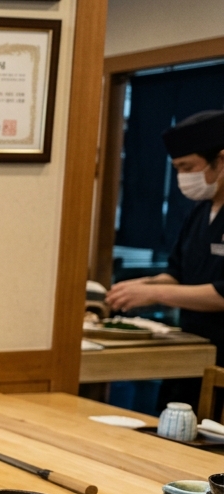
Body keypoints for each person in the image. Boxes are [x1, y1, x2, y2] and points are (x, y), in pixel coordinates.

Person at [106, 110, 224, 408]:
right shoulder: (200, 211)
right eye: (177, 168)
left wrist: (155, 292)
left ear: (221, 160)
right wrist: (139, 286)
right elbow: (177, 272)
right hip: (189, 349)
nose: (183, 178)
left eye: (188, 167)